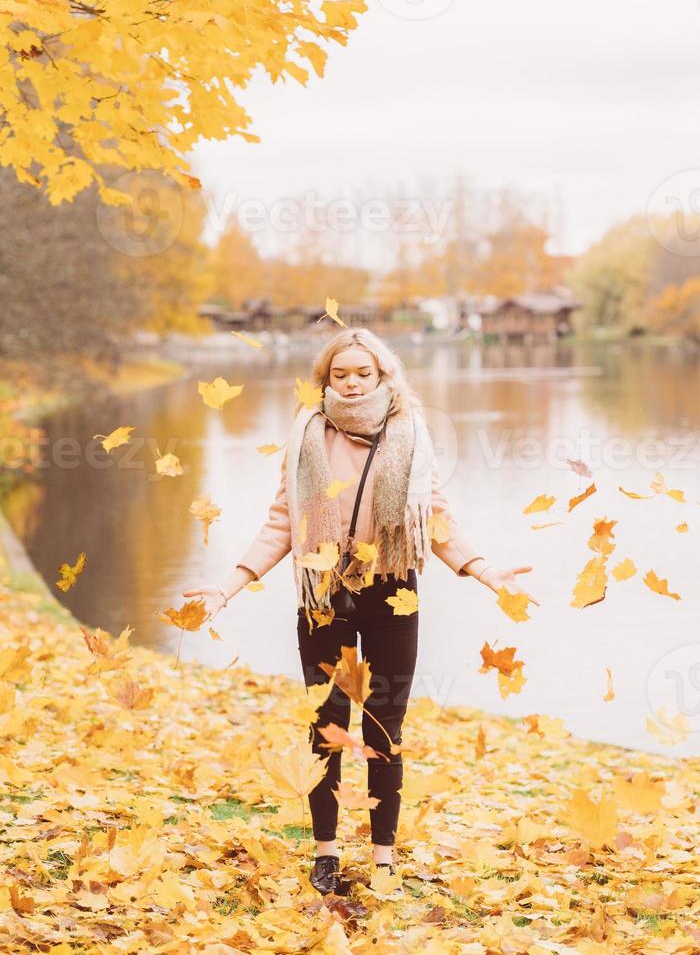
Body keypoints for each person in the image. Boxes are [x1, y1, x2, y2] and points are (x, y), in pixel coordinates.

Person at [183, 328, 539, 896]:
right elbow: (282, 523)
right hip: (324, 596)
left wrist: (482, 569)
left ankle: (383, 858)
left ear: (382, 377)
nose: (350, 383)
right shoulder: (307, 436)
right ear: (326, 380)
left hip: (393, 592)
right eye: (339, 374)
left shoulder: (411, 436)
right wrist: (227, 587)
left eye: (362, 373)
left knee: (384, 729)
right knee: (327, 728)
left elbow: (436, 519)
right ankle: (325, 855)